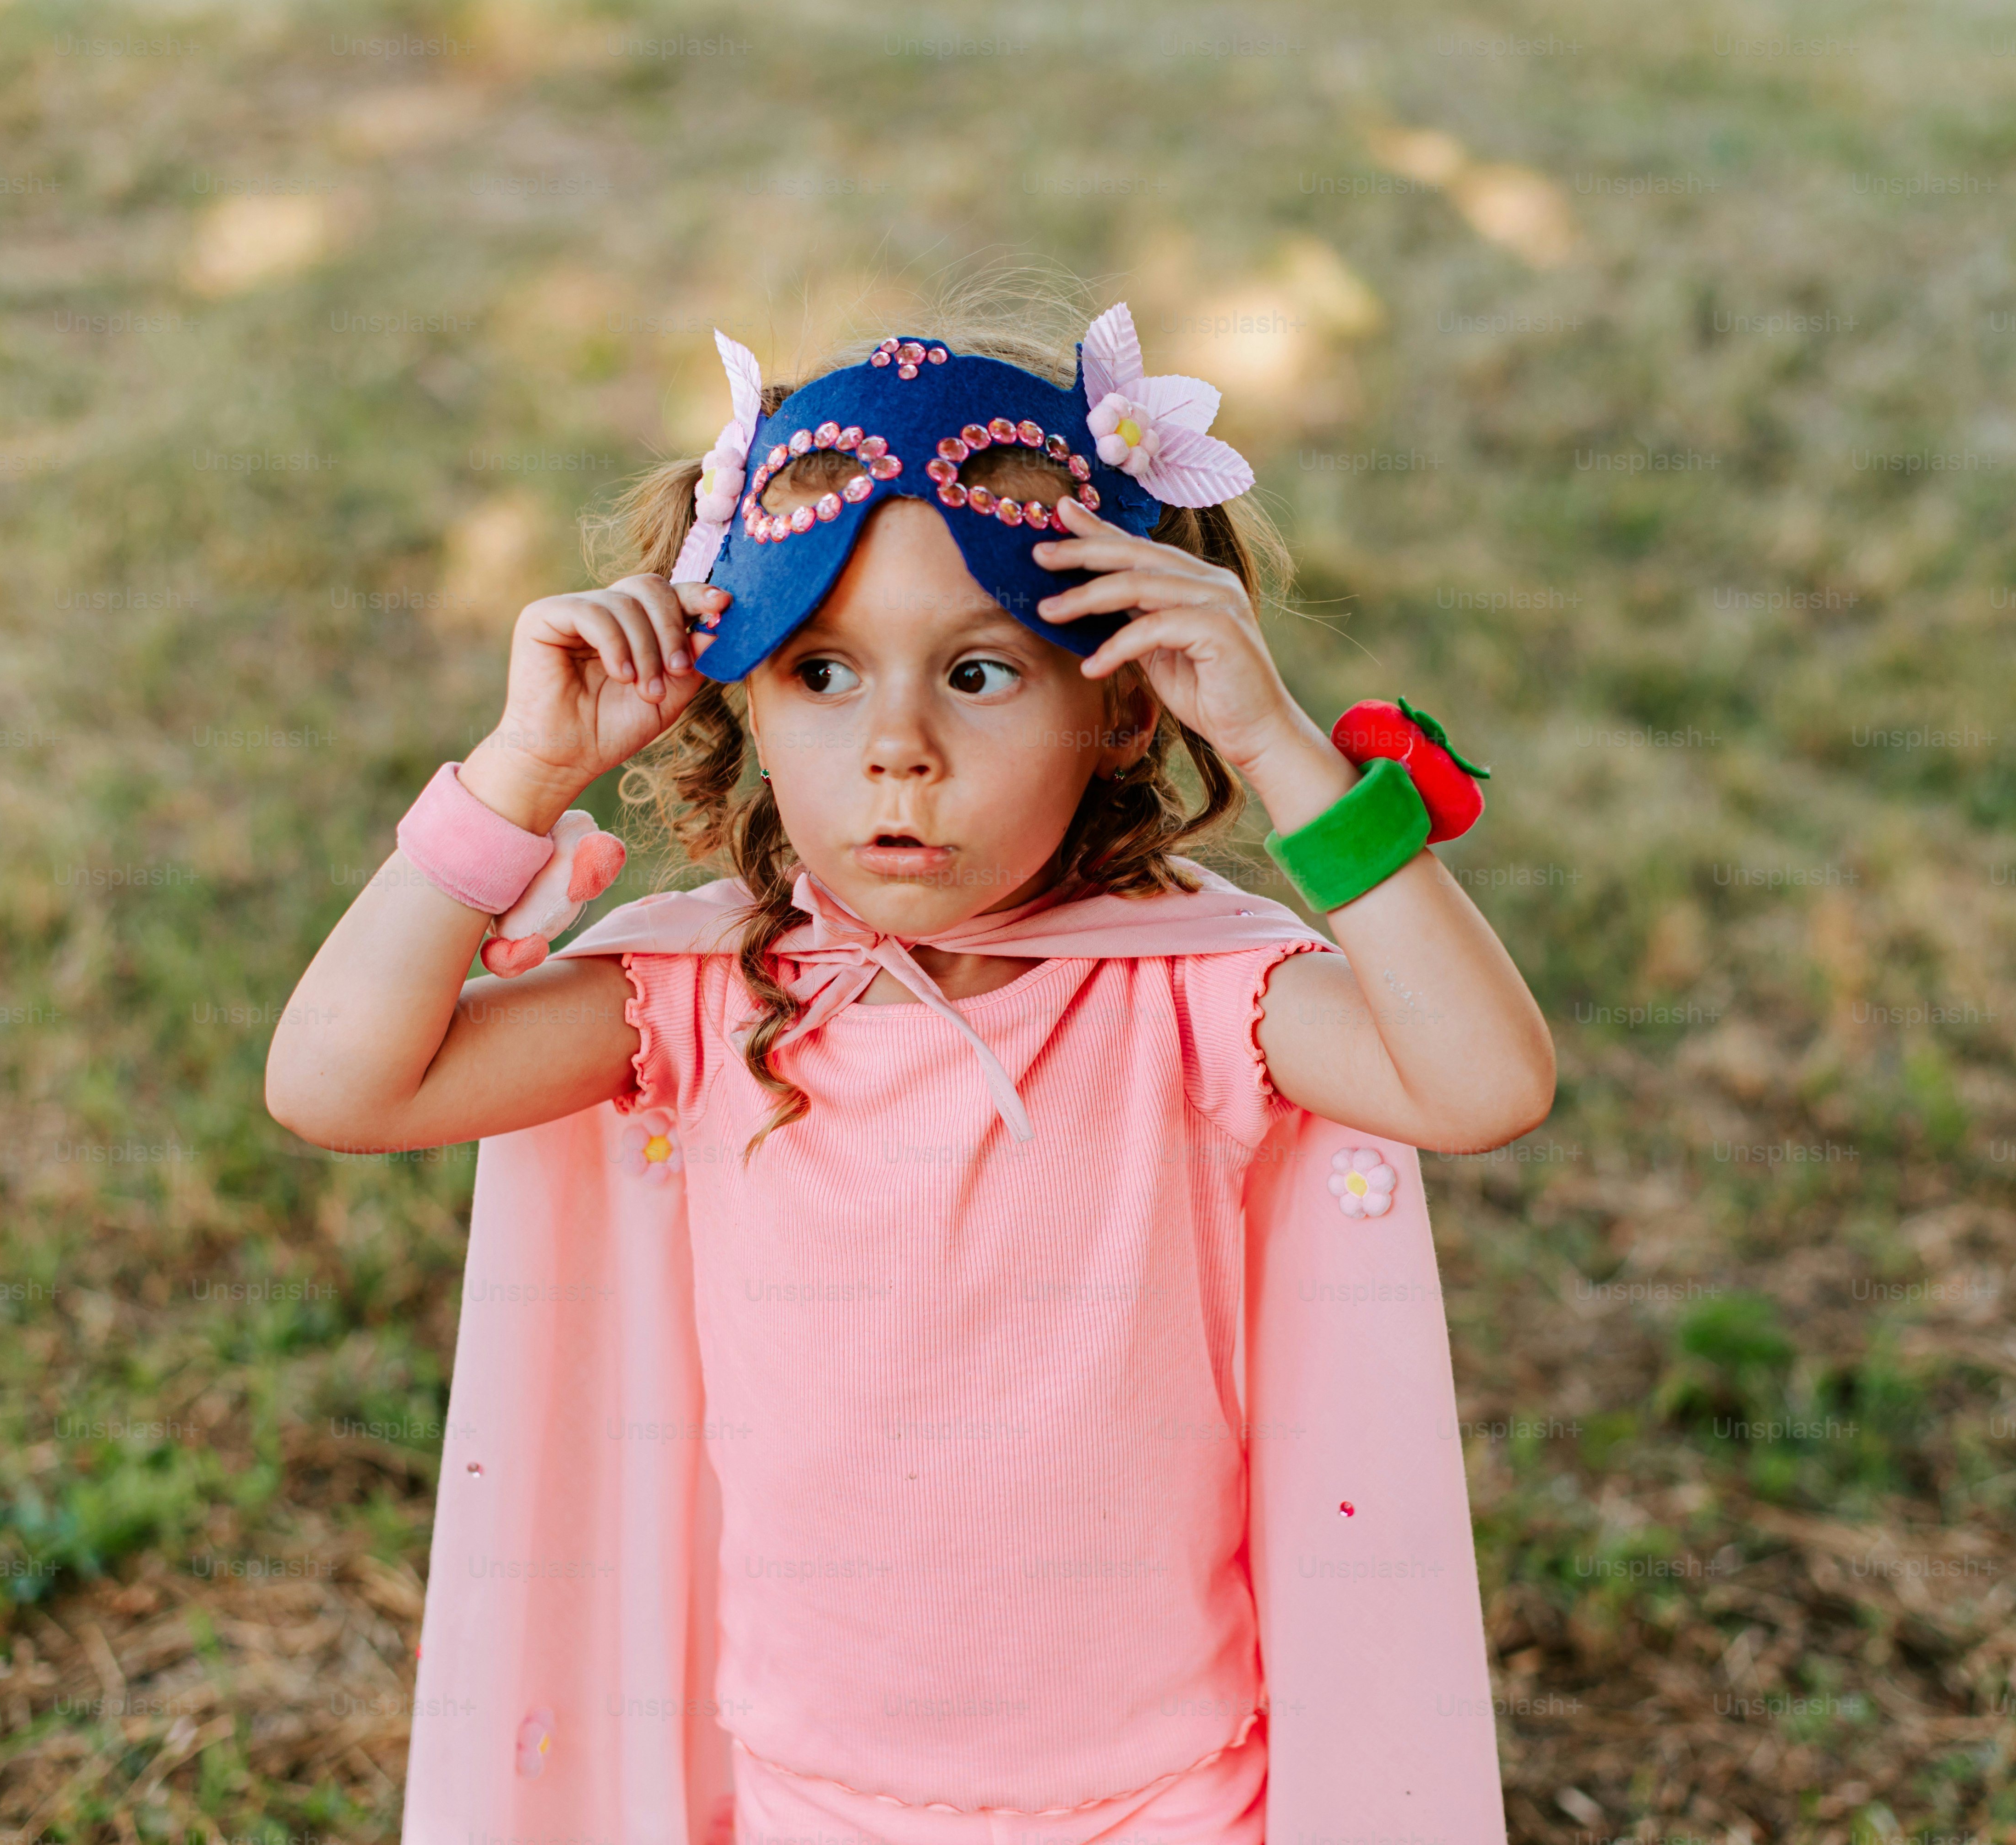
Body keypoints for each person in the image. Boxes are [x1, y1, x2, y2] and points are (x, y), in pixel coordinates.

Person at [266, 290, 1553, 1845]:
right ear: (737, 685)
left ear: (1124, 704)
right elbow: (341, 1085)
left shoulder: (1200, 1000)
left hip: (1163, 1792)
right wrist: (519, 777)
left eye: (981, 672)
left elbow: (1485, 1084)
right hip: (813, 1784)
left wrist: (1282, 742)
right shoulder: (700, 999)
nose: (898, 748)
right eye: (823, 672)